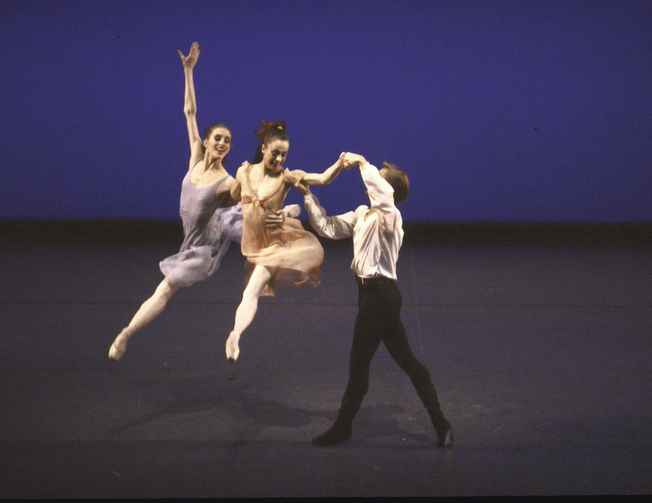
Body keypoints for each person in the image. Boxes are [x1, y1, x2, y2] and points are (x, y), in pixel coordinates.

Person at [109, 42, 263, 361]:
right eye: (217, 138)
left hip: (205, 247)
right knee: (167, 286)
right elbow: (189, 111)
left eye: (228, 141)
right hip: (192, 235)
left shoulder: (227, 180)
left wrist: (249, 183)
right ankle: (125, 333)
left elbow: (238, 193)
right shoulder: (195, 156)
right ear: (205, 142)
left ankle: (125, 335)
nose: (222, 143)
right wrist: (188, 71)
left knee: (166, 287)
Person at [294, 152, 453, 448]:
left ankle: (343, 427)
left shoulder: (391, 217)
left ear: (386, 189)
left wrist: (362, 162)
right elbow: (326, 226)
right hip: (371, 295)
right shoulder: (361, 214)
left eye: (379, 179)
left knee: (359, 365)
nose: (372, 182)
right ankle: (441, 423)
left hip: (380, 296)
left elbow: (383, 197)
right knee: (408, 362)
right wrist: (307, 195)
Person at [224, 120, 346, 361]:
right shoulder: (243, 171)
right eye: (275, 153)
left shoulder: (287, 177)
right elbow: (232, 196)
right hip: (253, 243)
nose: (279, 159)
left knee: (252, 290)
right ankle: (236, 333)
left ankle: (235, 335)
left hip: (275, 246)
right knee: (251, 291)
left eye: (284, 154)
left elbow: (321, 179)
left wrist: (340, 164)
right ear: (263, 149)